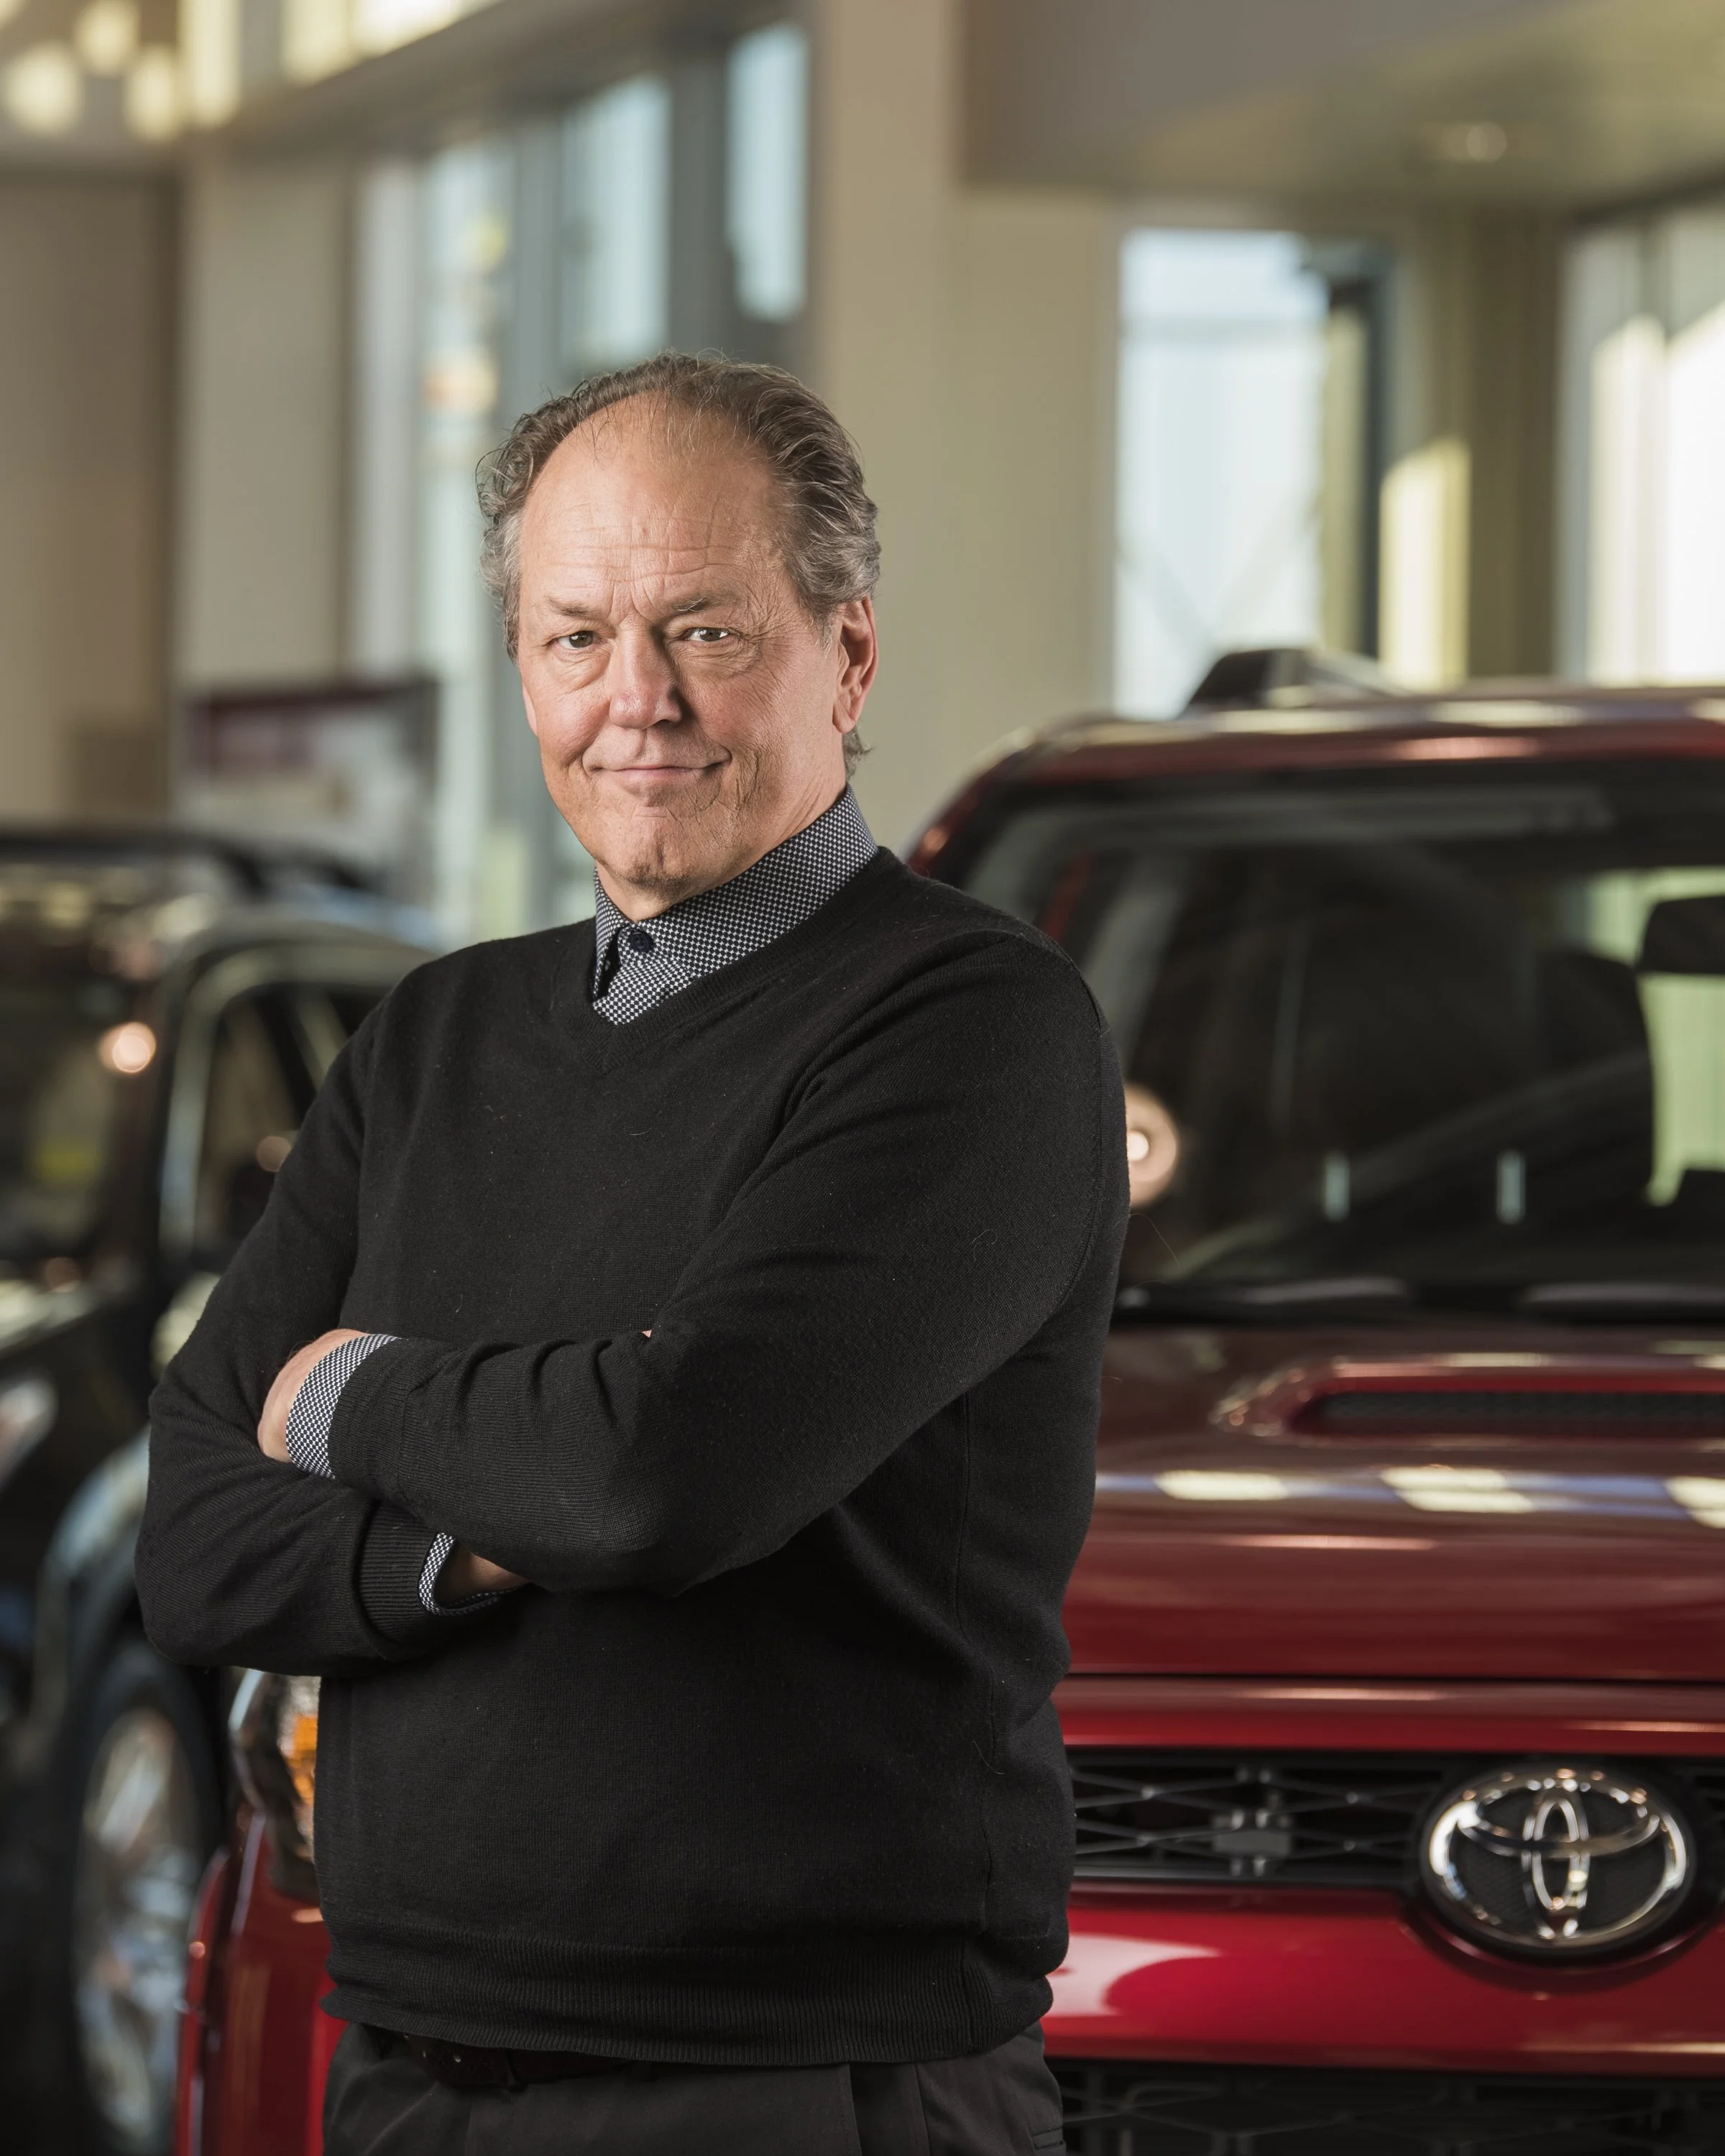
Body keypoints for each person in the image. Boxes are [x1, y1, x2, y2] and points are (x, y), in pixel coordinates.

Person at [137, 353, 1127, 2155]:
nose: (636, 702)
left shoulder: (974, 1031)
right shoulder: (433, 1039)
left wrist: (346, 1389)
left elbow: (666, 1468)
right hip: (408, 2066)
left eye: (706, 631)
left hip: (788, 2085)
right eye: (576, 635)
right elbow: (196, 1538)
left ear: (850, 651)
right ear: (520, 664)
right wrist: (483, 1538)